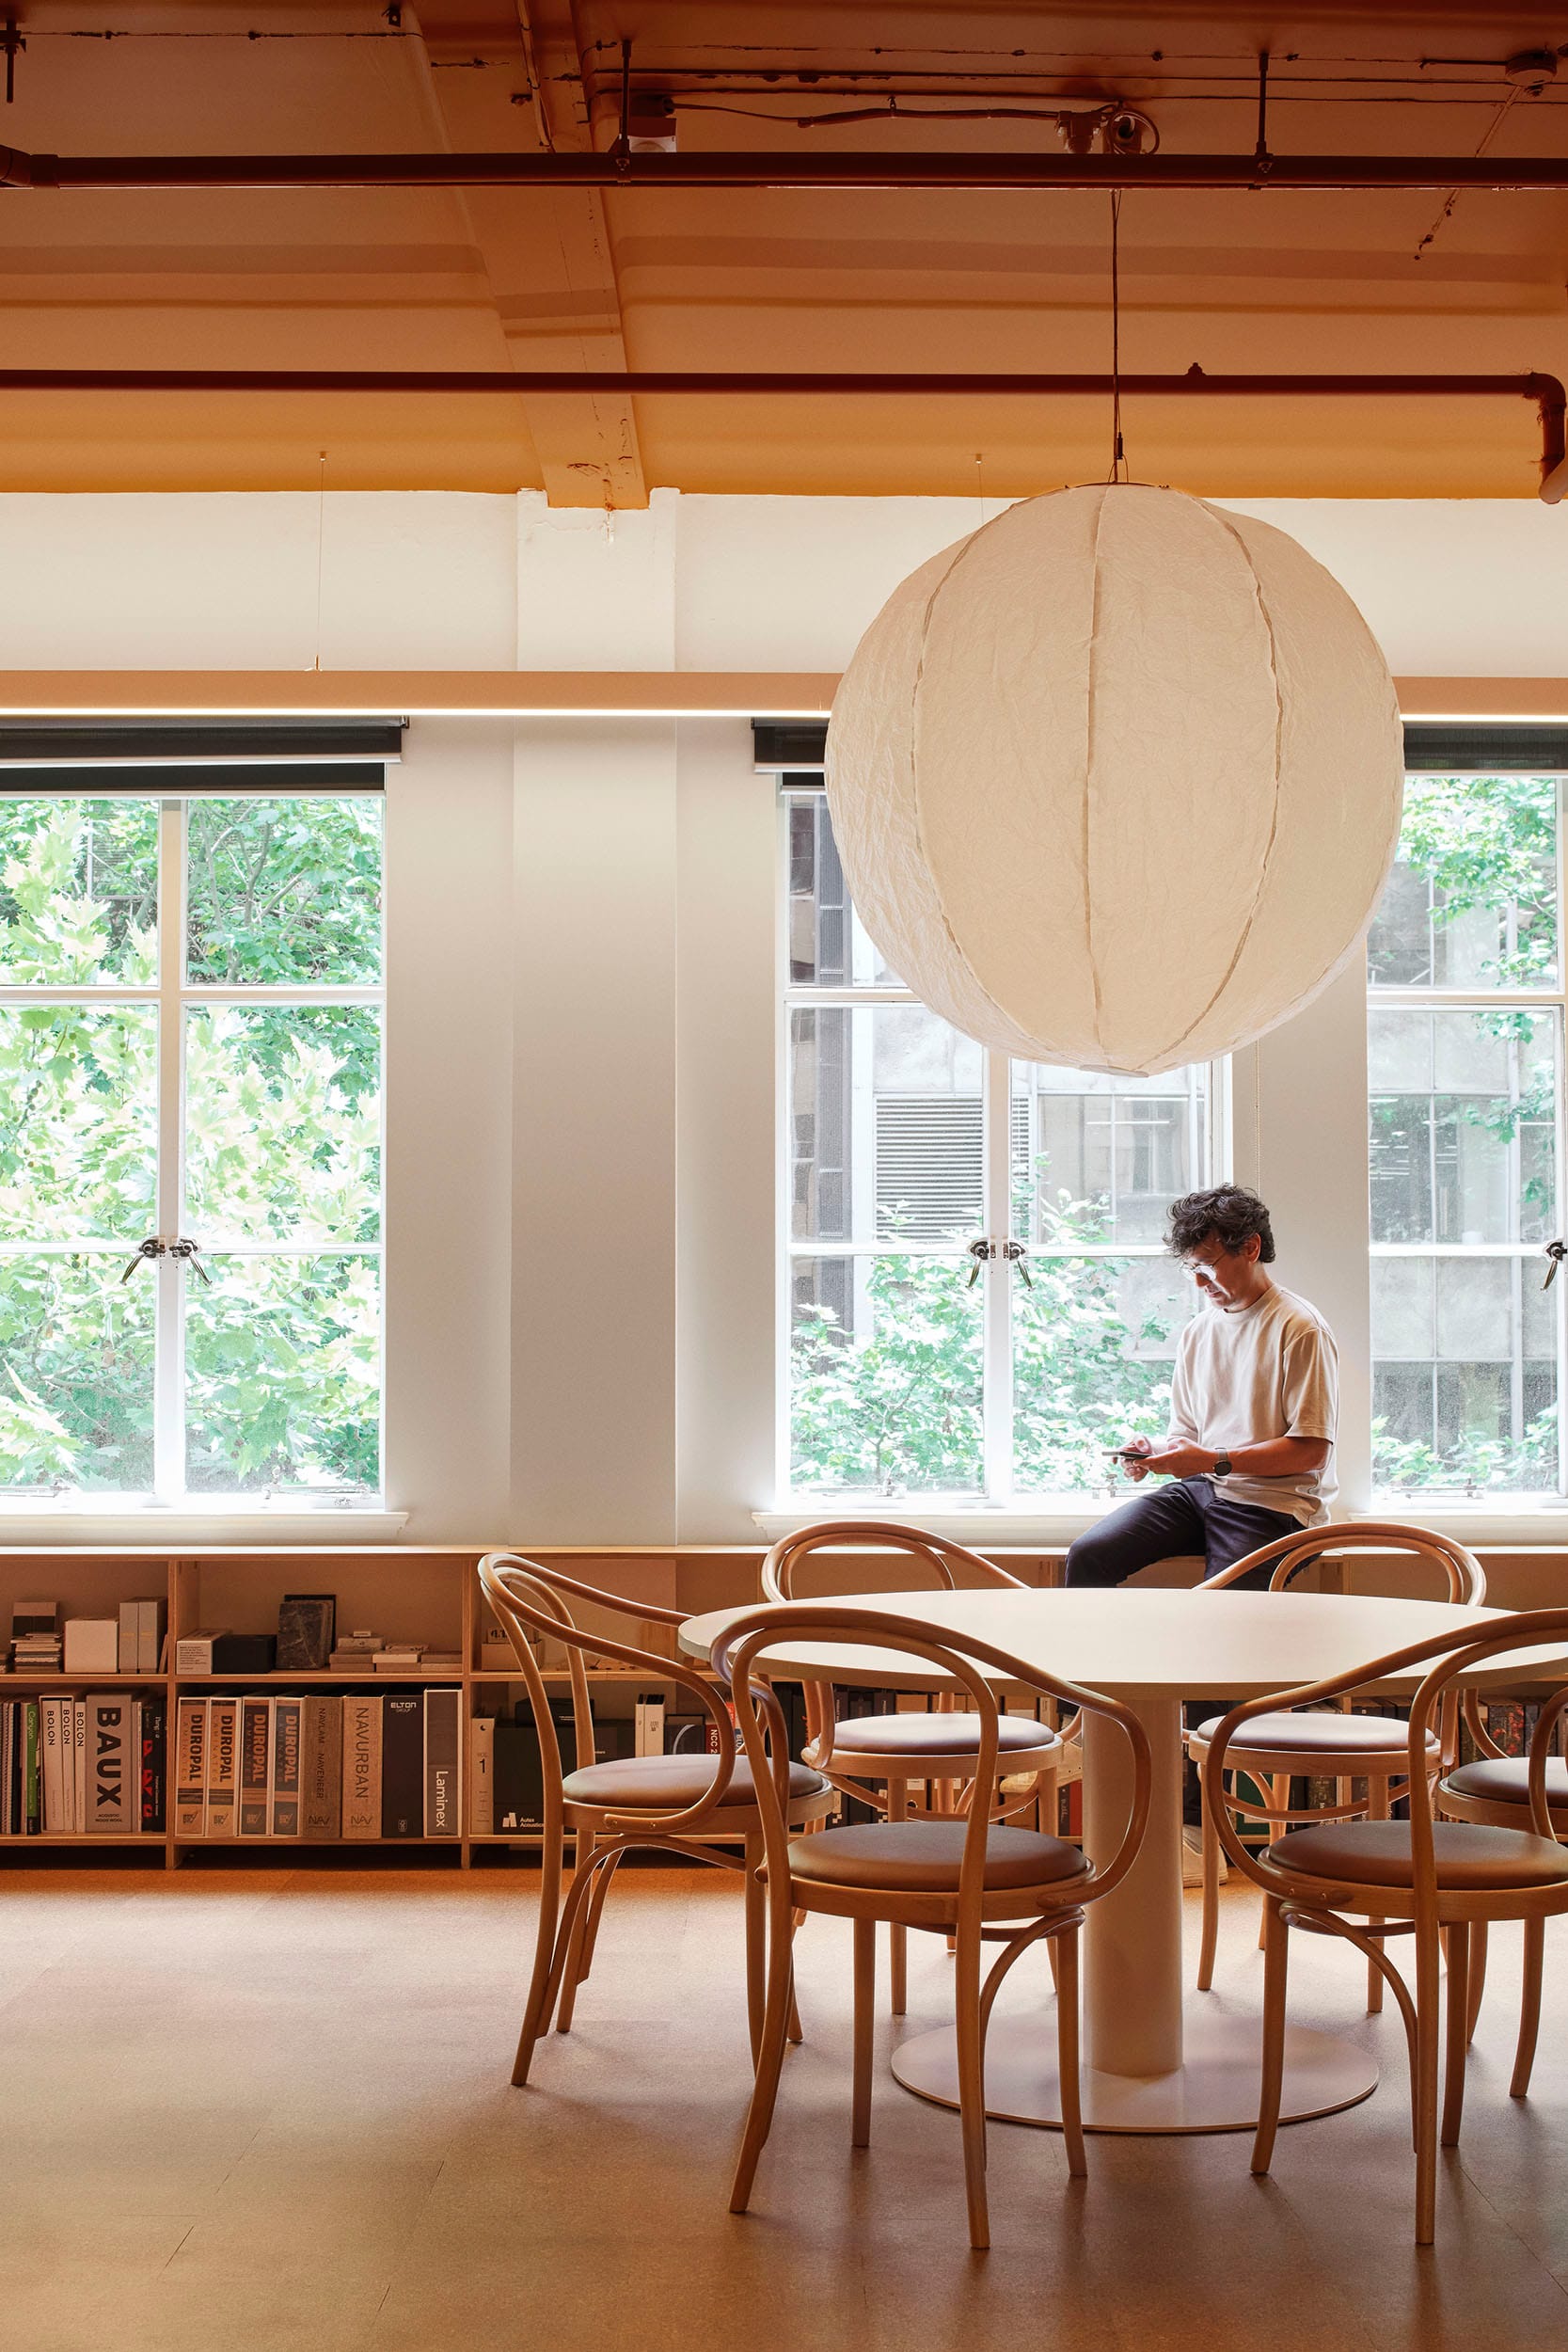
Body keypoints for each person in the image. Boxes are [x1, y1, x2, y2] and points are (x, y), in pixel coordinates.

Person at [1066, 1184, 1338, 1594]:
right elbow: (1190, 1434)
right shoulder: (1199, 1331)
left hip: (1275, 1507)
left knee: (1219, 1612)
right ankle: (1088, 1661)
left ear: (1250, 1247)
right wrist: (1158, 1452)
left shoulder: (1299, 1328)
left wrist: (1210, 1459)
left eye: (1207, 1266)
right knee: (1088, 1556)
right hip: (1205, 1490)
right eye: (1191, 1267)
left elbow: (1311, 1451)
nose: (1198, 1282)